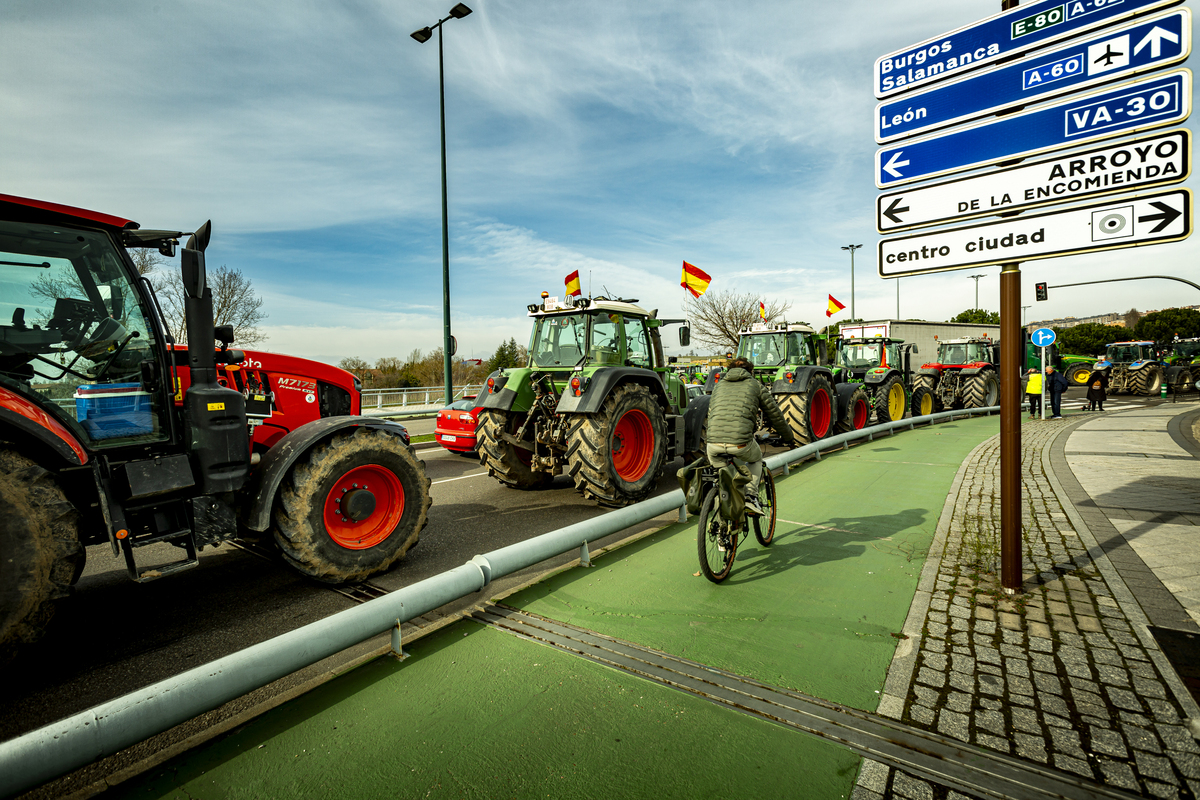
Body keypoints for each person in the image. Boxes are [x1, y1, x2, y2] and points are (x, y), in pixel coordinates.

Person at [706, 356, 796, 515]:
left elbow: (711, 413)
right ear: (750, 371)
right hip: (740, 442)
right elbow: (775, 415)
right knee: (755, 459)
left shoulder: (718, 386)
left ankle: (721, 528)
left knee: (725, 480)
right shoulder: (755, 385)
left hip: (712, 444)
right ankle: (750, 497)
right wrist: (788, 438)